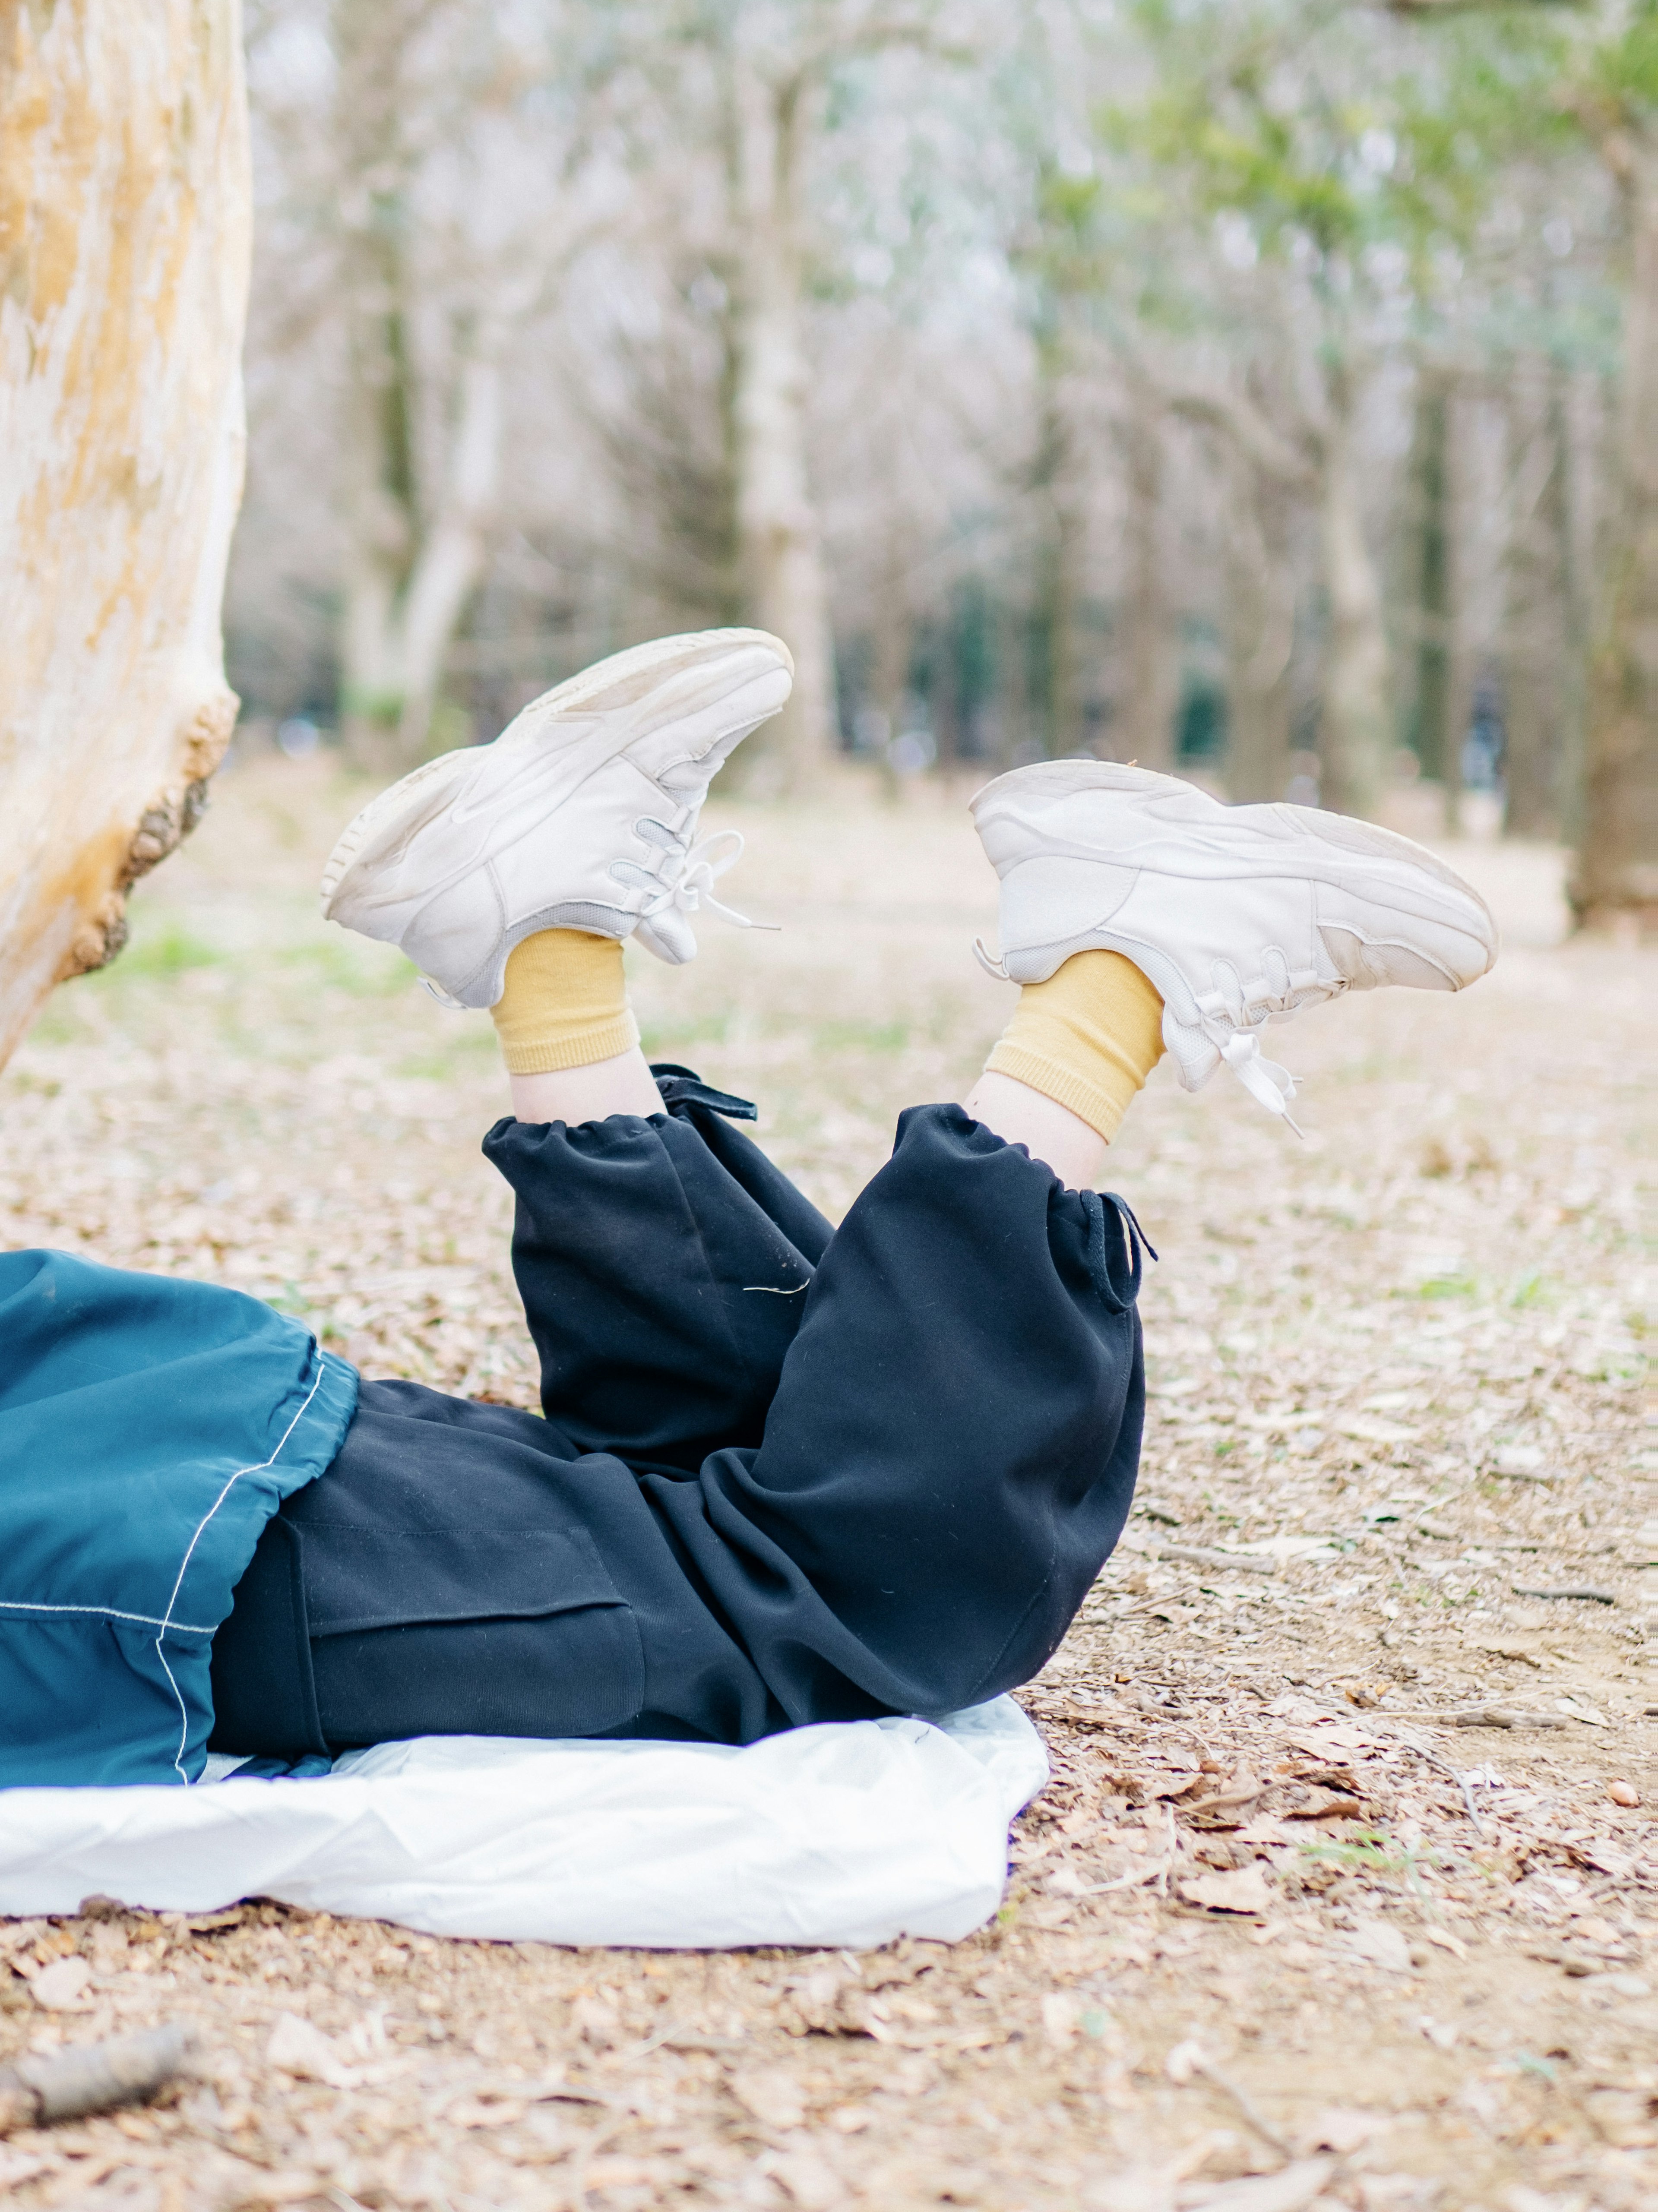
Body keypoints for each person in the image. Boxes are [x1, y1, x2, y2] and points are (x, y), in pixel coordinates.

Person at [0, 631, 1497, 1787]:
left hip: (97, 1522)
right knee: (706, 1478)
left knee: (826, 1600)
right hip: (101, 1406)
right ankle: (548, 930)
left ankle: (1117, 982)